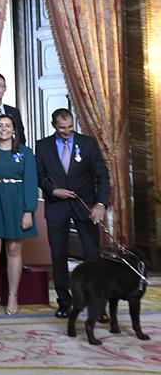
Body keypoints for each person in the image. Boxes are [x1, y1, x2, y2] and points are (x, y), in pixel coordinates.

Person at [36, 108, 110, 318]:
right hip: (56, 206)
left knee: (92, 256)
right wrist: (52, 191)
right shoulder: (43, 146)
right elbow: (39, 175)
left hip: (85, 206)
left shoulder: (87, 144)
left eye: (70, 127)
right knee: (58, 256)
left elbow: (103, 176)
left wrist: (101, 204)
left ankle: (98, 305)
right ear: (54, 125)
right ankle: (64, 302)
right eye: (62, 128)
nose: (67, 131)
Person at [0, 114, 38, 315]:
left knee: (13, 249)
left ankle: (12, 295)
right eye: (0, 125)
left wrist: (29, 211)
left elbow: (31, 183)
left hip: (17, 203)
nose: (4, 129)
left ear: (14, 129)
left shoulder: (25, 153)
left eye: (8, 125)